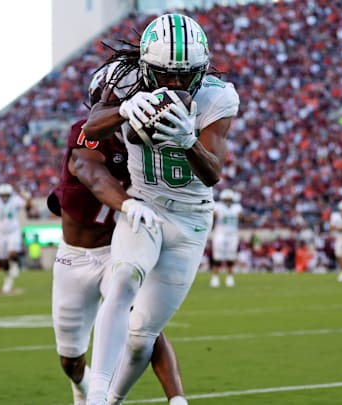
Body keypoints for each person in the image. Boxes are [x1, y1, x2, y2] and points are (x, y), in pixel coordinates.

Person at [81, 13, 240, 404]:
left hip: (190, 220)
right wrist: (123, 108)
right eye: (165, 75)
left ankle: (113, 398)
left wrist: (189, 141)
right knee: (121, 281)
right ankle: (96, 395)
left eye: (185, 76)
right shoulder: (127, 80)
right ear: (147, 68)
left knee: (141, 338)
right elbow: (89, 128)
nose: (174, 84)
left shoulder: (218, 96)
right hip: (145, 206)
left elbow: (213, 174)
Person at [47, 69, 187, 405]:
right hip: (75, 258)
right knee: (70, 358)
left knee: (142, 324)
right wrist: (127, 204)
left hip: (117, 249)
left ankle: (178, 399)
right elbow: (91, 174)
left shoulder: (154, 145)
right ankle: (81, 387)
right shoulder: (86, 133)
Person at [210, 189, 243, 287]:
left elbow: (242, 217)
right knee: (217, 257)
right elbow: (212, 215)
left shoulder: (237, 207)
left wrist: (249, 219)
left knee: (231, 257)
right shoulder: (218, 206)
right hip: (220, 233)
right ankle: (215, 277)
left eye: (229, 199)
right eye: (226, 199)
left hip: (232, 234)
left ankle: (230, 277)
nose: (227, 201)